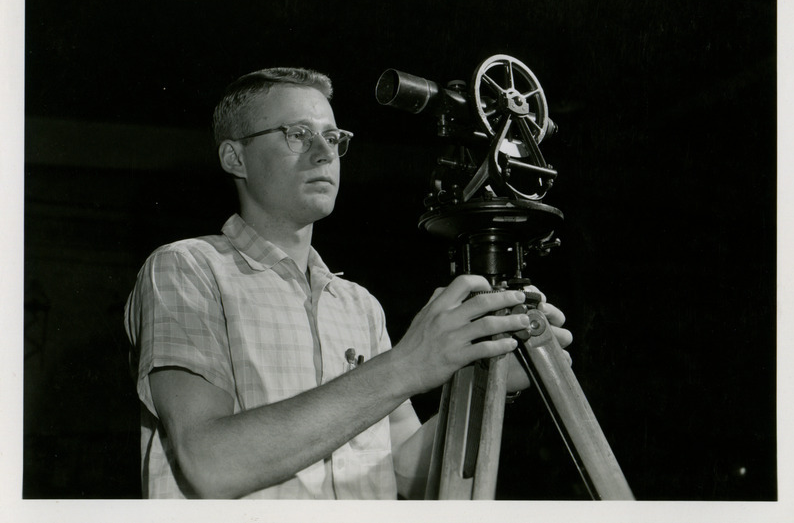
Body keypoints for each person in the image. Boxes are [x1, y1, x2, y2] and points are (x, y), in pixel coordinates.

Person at [124, 66, 572, 499]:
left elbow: (411, 476)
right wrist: (404, 367)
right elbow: (210, 464)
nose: (324, 153)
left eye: (333, 138)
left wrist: (486, 379)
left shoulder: (358, 306)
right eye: (297, 134)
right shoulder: (188, 269)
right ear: (235, 156)